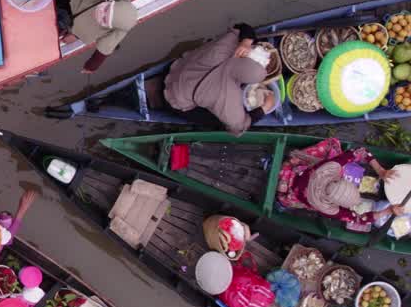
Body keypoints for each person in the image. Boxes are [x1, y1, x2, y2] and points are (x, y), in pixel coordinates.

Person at [162, 24, 276, 134]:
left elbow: (242, 27)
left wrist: (245, 42)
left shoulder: (228, 45)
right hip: (173, 99)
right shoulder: (226, 96)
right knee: (218, 122)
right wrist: (264, 109)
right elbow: (238, 127)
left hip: (178, 67)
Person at [29, 0, 136, 73]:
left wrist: (91, 66)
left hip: (74, 11)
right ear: (111, 1)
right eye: (106, 9)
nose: (100, 14)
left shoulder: (118, 30)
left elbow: (104, 50)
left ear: (111, 27)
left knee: (49, 30)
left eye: (104, 20)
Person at [276, 139, 405, 227]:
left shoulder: (329, 167)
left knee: (332, 145)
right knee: (293, 200)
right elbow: (360, 220)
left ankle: (284, 170)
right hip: (296, 192)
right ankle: (281, 202)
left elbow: (361, 151)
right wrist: (388, 211)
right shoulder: (328, 209)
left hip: (300, 176)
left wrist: (380, 170)